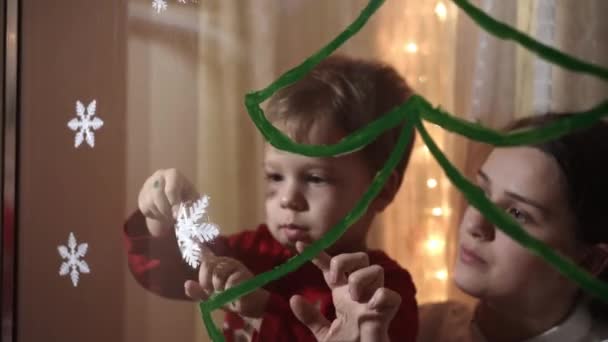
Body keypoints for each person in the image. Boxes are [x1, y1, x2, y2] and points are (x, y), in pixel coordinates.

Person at [124, 54, 418, 341]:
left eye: (315, 178)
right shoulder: (256, 251)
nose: (288, 199)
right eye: (275, 177)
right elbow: (164, 272)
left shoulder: (384, 292)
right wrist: (161, 217)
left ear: (380, 189)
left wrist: (262, 310)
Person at [418, 113, 608, 342]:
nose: (475, 223)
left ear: (587, 263)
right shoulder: (418, 327)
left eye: (517, 214)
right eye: (481, 193)